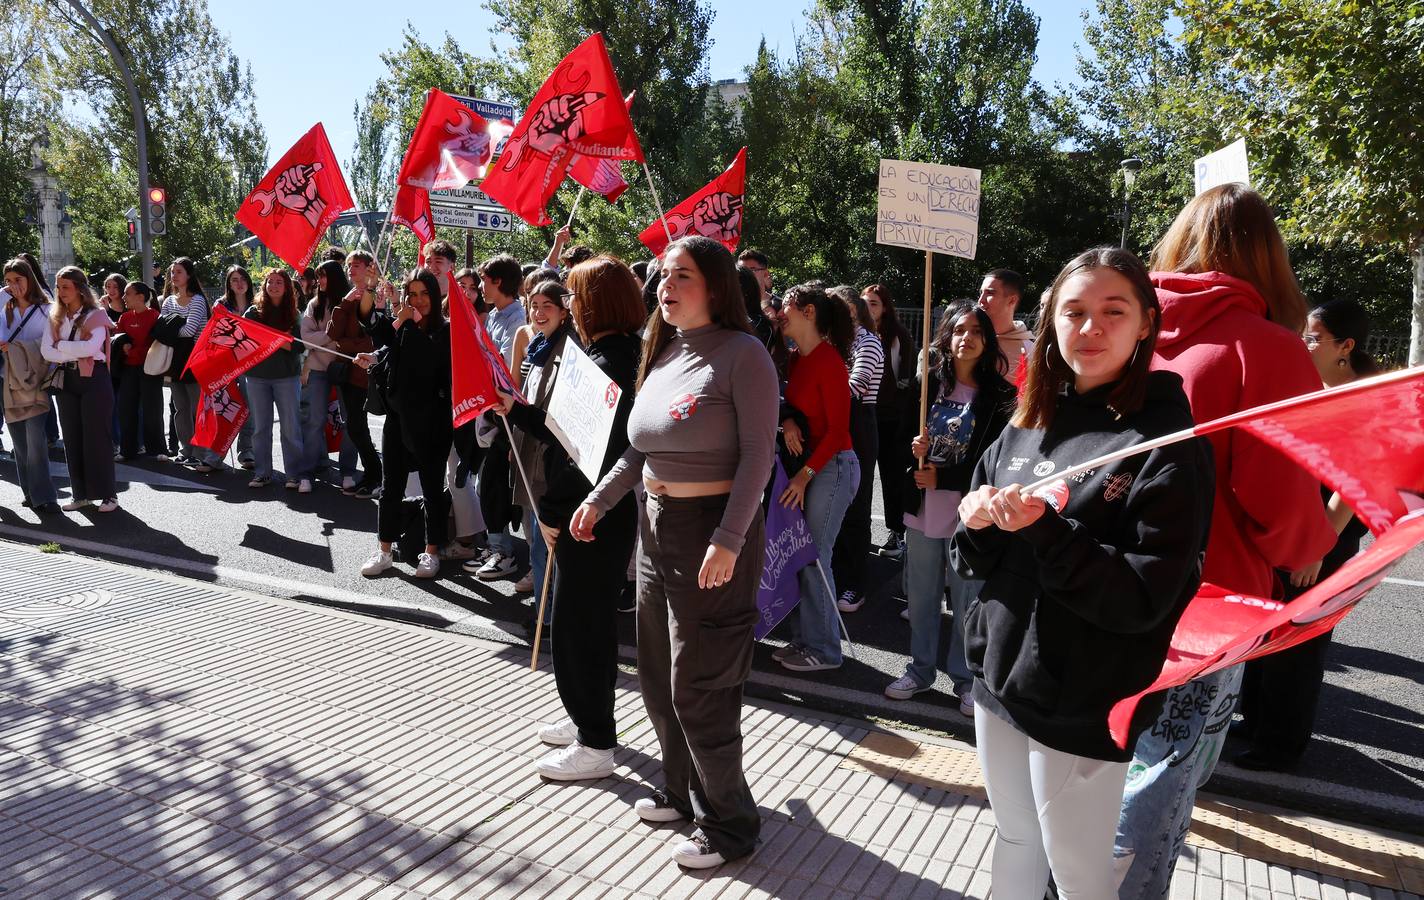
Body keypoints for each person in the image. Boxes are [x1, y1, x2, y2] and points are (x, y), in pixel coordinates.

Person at [952, 247, 1215, 899]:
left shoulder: (1168, 448)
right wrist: (977, 526)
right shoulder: (1028, 421)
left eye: (1112, 311)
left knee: (1077, 876)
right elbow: (970, 560)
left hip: (1085, 702)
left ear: (1146, 323)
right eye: (1073, 312)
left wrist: (1042, 527)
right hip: (998, 682)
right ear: (1050, 323)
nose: (1090, 328)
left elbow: (1141, 599)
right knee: (1014, 840)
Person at [1114, 183, 1337, 899]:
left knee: (1101, 755)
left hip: (1101, 581)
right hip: (1209, 603)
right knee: (1167, 768)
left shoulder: (1121, 326)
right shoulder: (1265, 349)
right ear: (1269, 256)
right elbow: (1281, 493)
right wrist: (1306, 547)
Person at [571, 236, 778, 870]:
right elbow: (639, 449)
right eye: (663, 275)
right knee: (658, 676)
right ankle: (682, 792)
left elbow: (757, 458)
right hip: (654, 529)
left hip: (711, 531)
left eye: (682, 276)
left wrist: (729, 538)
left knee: (702, 683)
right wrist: (600, 501)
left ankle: (731, 825)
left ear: (714, 286)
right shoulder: (660, 351)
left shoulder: (745, 355)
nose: (666, 285)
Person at [503, 258, 644, 781]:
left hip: (590, 515)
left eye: (575, 297)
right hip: (596, 512)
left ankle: (595, 741)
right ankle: (591, 719)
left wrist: (554, 513)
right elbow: (566, 430)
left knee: (577, 628)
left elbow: (588, 449)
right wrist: (514, 409)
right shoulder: (616, 353)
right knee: (589, 625)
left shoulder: (608, 360)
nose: (569, 307)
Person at [1235, 299, 1378, 773]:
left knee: (1297, 644)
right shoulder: (1313, 388)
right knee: (1266, 630)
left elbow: (1353, 488)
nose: (1304, 345)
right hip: (1292, 532)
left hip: (1322, 543)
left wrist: (1317, 547)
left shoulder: (1361, 399)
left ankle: (1280, 745)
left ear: (1346, 346)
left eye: (1313, 337)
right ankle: (1254, 722)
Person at [884, 300, 1013, 714]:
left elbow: (998, 462)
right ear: (947, 337)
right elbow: (901, 440)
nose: (966, 338)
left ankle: (965, 679)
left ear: (987, 340)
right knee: (920, 598)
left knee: (965, 602)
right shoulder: (926, 386)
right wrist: (914, 450)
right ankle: (920, 670)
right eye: (959, 330)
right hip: (924, 508)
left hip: (969, 514)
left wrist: (948, 479)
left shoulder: (1001, 397)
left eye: (976, 331)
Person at [775, 283, 859, 672]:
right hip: (814, 467)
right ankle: (806, 640)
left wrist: (805, 476)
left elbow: (839, 430)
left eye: (787, 307)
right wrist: (788, 420)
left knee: (815, 557)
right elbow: (790, 404)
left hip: (834, 466)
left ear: (808, 313)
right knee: (803, 555)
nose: (780, 313)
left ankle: (826, 651)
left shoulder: (830, 362)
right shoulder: (796, 358)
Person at [357, 268, 453, 580]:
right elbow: (370, 321)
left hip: (433, 420)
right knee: (390, 487)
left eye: (424, 293)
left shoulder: (446, 331)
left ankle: (431, 552)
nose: (419, 300)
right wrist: (370, 288)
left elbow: (432, 364)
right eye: (412, 294)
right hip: (398, 418)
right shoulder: (401, 326)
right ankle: (384, 550)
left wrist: (407, 325)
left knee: (432, 488)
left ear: (434, 296)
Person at [507, 280, 574, 601]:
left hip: (548, 463)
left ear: (564, 310)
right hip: (526, 449)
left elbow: (554, 418)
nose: (538, 312)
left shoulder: (568, 350)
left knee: (545, 542)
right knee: (533, 537)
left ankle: (548, 617)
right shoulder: (537, 345)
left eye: (547, 305)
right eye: (534, 305)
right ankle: (543, 606)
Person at [468, 253, 530, 582]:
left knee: (495, 485)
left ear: (499, 282)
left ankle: (504, 552)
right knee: (488, 484)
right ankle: (497, 545)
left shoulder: (517, 318)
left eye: (486, 281)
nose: (481, 286)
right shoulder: (495, 315)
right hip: (492, 415)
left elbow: (505, 367)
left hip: (508, 416)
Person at [42, 266, 120, 513]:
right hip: (67, 379)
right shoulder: (55, 316)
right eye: (58, 287)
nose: (61, 291)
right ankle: (81, 495)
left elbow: (91, 349)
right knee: (72, 438)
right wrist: (69, 348)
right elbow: (46, 351)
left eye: (66, 286)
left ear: (79, 288)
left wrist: (61, 345)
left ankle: (108, 495)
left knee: (98, 438)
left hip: (94, 378)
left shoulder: (95, 315)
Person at [829, 286, 884, 613]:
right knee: (831, 505)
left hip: (858, 424)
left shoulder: (867, 340)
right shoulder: (832, 340)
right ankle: (836, 575)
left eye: (844, 310)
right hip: (835, 423)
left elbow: (857, 383)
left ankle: (855, 584)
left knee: (856, 506)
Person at [2, 257, 60, 513]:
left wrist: (17, 349)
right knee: (20, 444)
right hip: (9, 382)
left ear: (30, 279)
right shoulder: (5, 309)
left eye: (18, 280)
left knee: (36, 441)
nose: (14, 286)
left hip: (37, 382)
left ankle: (45, 496)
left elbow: (51, 346)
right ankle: (30, 493)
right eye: (8, 281)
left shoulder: (48, 309)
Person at [864, 284, 917, 558]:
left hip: (889, 420)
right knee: (859, 479)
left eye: (874, 303)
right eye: (865, 302)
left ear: (885, 307)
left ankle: (896, 533)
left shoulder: (899, 337)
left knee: (892, 478)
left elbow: (905, 382)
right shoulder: (853, 334)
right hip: (862, 416)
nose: (868, 307)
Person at [159, 257, 224, 472]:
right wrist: (171, 329)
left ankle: (200, 451)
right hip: (175, 361)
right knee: (180, 408)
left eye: (178, 272)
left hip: (196, 360)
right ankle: (185, 449)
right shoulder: (168, 301)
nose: (174, 276)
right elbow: (163, 329)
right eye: (172, 272)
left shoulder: (197, 300)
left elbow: (189, 331)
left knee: (198, 408)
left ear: (189, 275)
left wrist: (170, 329)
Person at [243, 270, 306, 491]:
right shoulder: (253, 312)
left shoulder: (294, 314)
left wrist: (272, 339)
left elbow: (299, 346)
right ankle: (262, 473)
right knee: (261, 428)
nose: (274, 285)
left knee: (290, 428)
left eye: (280, 282)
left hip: (287, 377)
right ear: (264, 285)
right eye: (270, 281)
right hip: (257, 377)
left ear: (287, 287)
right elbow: (245, 338)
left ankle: (294, 475)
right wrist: (282, 339)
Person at [298, 260, 357, 492]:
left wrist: (322, 337)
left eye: (324, 276)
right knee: (314, 421)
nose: (319, 281)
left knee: (350, 422)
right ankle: (306, 473)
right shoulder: (314, 304)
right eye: (318, 276)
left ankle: (348, 472)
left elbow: (351, 335)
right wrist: (332, 335)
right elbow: (305, 338)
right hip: (318, 369)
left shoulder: (349, 302)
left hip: (345, 367)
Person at [329, 251, 383, 498]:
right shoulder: (348, 297)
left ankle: (375, 475)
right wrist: (345, 302)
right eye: (349, 265)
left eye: (357, 265)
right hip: (347, 374)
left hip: (367, 374)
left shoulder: (377, 296)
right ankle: (373, 473)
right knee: (354, 427)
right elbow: (333, 335)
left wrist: (347, 344)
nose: (351, 269)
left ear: (370, 269)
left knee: (359, 428)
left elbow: (372, 342)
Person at [114, 281, 163, 459]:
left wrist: (133, 350)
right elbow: (118, 338)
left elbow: (155, 344)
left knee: (153, 410)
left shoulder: (155, 316)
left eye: (127, 294)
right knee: (126, 409)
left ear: (140, 297)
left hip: (150, 368)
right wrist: (123, 345)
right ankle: (127, 450)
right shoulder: (125, 317)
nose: (123, 297)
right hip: (128, 369)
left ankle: (157, 450)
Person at [220, 265, 258, 468]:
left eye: (243, 278)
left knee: (250, 406)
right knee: (226, 407)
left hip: (252, 363)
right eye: (234, 279)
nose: (240, 283)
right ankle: (216, 453)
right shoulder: (221, 305)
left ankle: (246, 450)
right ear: (228, 283)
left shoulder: (258, 304)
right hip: (227, 364)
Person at [977, 268, 1035, 374]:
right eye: (981, 293)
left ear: (1012, 300)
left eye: (990, 293)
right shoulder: (969, 338)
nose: (981, 300)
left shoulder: (1030, 351)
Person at [736, 248, 779, 315]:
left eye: (751, 270)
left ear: (765, 273)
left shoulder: (779, 307)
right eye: (741, 272)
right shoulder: (733, 306)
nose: (745, 275)